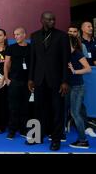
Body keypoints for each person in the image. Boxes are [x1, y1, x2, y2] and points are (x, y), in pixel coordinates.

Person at [28, 11, 69, 151]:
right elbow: (32, 59)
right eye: (50, 19)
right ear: (42, 20)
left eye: (54, 19)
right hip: (39, 80)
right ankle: (36, 136)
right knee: (38, 109)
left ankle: (56, 140)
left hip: (57, 81)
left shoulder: (62, 36)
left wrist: (64, 81)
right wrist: (30, 78)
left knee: (57, 110)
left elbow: (65, 60)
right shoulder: (34, 36)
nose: (53, 21)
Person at [3, 27, 31, 139]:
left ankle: (24, 130)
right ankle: (12, 131)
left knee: (26, 107)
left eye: (18, 34)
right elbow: (6, 64)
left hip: (27, 83)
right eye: (14, 34)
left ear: (24, 35)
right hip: (14, 82)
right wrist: (6, 78)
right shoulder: (11, 48)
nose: (16, 36)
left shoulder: (31, 48)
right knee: (13, 107)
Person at [67, 36, 92, 149]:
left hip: (77, 87)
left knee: (75, 113)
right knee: (69, 112)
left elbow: (88, 69)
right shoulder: (65, 54)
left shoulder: (77, 54)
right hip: (68, 87)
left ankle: (83, 140)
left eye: (68, 45)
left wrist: (75, 71)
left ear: (74, 45)